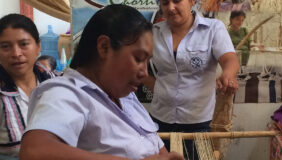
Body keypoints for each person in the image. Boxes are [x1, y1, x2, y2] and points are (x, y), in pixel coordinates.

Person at [19, 4, 184, 160]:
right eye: (138, 58)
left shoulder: (125, 96)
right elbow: (34, 151)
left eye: (147, 61)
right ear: (104, 47)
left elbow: (155, 145)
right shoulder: (67, 94)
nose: (144, 72)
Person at [142, 0, 240, 159]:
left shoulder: (212, 28)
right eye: (165, 3)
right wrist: (158, 87)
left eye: (177, 1)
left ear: (192, 1)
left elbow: (230, 59)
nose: (171, 8)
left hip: (199, 123)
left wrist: (227, 75)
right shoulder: (154, 32)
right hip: (160, 121)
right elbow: (136, 65)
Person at [0, 14, 54, 159]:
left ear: (38, 46)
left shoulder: (55, 85)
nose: (16, 53)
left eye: (23, 44)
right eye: (5, 46)